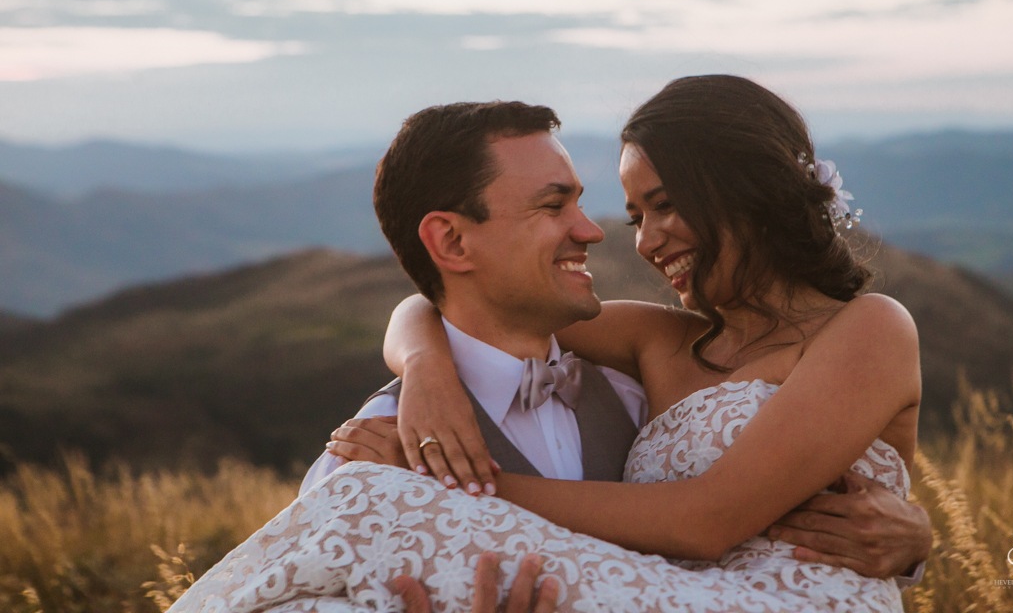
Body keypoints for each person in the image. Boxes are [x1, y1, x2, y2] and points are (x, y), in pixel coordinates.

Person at [170, 83, 928, 613]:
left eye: (664, 205)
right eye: (634, 213)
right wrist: (424, 365)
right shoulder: (658, 344)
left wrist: (453, 486)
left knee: (364, 499)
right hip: (677, 598)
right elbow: (448, 300)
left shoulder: (868, 328)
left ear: (745, 187)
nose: (637, 238)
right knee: (343, 521)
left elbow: (704, 521)